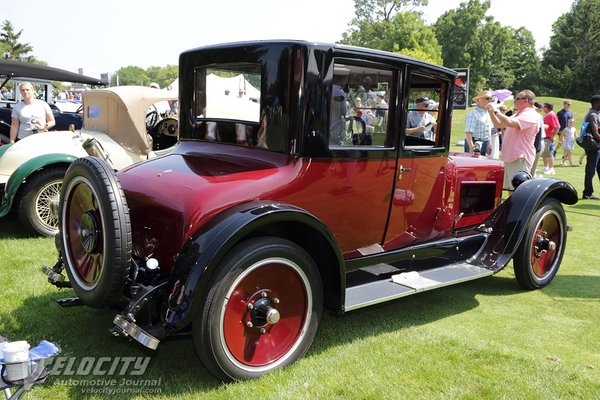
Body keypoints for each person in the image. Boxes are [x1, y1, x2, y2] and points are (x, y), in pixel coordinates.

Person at [486, 90, 539, 190]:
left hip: (520, 157)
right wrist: (491, 113)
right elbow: (499, 124)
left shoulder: (530, 114)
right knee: (511, 189)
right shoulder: (518, 114)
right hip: (511, 156)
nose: (515, 101)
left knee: (518, 191)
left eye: (517, 98)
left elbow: (510, 122)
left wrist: (495, 111)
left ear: (526, 101)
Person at [581, 95, 600, 200]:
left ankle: (588, 192)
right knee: (591, 170)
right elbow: (596, 133)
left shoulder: (596, 113)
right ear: (597, 103)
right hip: (593, 147)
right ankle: (587, 193)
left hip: (597, 146)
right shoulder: (592, 114)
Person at [464, 90, 493, 155]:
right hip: (474, 143)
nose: (489, 101)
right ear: (479, 100)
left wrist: (489, 144)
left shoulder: (488, 114)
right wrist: (472, 148)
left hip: (485, 142)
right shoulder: (472, 114)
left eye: (491, 99)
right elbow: (468, 133)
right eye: (487, 98)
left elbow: (489, 131)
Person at [541, 102, 560, 174]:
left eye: (544, 107)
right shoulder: (547, 115)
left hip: (549, 138)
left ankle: (551, 168)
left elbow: (557, 127)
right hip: (545, 137)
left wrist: (552, 136)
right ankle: (546, 167)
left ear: (547, 107)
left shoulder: (552, 115)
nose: (543, 108)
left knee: (549, 153)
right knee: (544, 153)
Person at [531, 102, 546, 177]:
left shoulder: (537, 116)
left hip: (538, 140)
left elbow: (538, 132)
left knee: (532, 167)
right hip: (538, 140)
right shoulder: (537, 115)